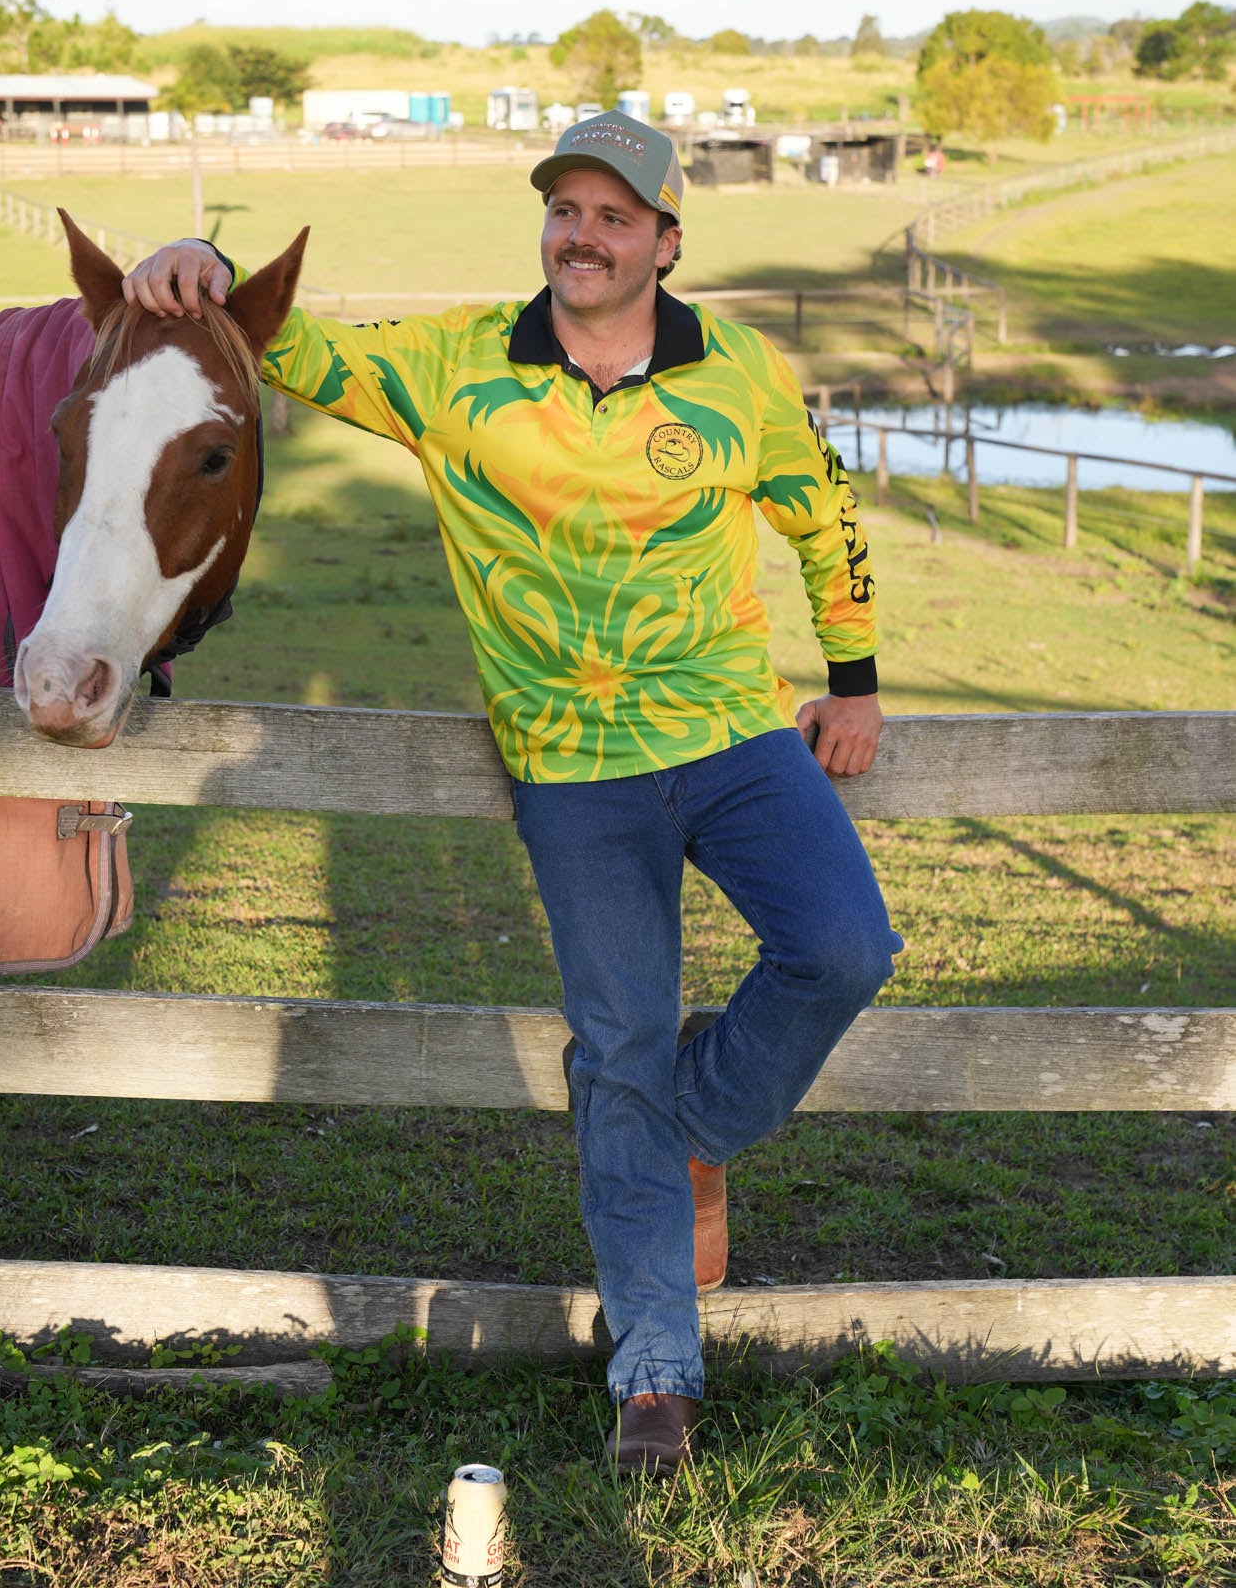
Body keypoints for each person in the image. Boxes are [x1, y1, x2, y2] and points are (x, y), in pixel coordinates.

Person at [124, 110, 902, 1473]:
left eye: (614, 216)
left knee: (843, 947)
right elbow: (288, 347)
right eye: (564, 209)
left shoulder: (739, 373)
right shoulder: (455, 362)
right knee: (615, 1050)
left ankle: (696, 1134)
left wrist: (853, 677)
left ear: (666, 239)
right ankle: (655, 1375)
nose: (581, 235)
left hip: (731, 737)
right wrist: (205, 254)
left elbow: (822, 508)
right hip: (573, 776)